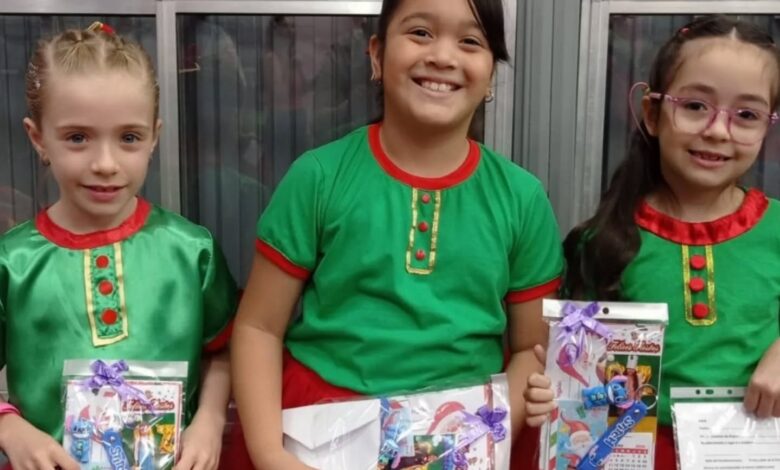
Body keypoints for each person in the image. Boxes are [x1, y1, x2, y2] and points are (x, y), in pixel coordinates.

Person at [228, 0, 564, 468]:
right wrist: (269, 454)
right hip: (320, 434)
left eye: (470, 41)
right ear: (376, 55)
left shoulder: (522, 198)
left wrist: (480, 435)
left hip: (464, 439)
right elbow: (259, 328)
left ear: (491, 74)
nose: (442, 56)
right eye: (421, 33)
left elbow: (532, 348)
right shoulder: (319, 177)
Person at [525, 15, 780, 469]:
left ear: (767, 126)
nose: (718, 130)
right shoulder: (601, 242)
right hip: (633, 455)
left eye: (746, 115)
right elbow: (574, 379)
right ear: (651, 113)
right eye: (695, 105)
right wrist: (550, 391)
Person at [0, 22, 237, 470]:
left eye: (129, 137)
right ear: (38, 138)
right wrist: (8, 427)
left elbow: (222, 348)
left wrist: (209, 419)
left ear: (155, 136)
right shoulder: (12, 263)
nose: (105, 163)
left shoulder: (191, 252)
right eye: (78, 138)